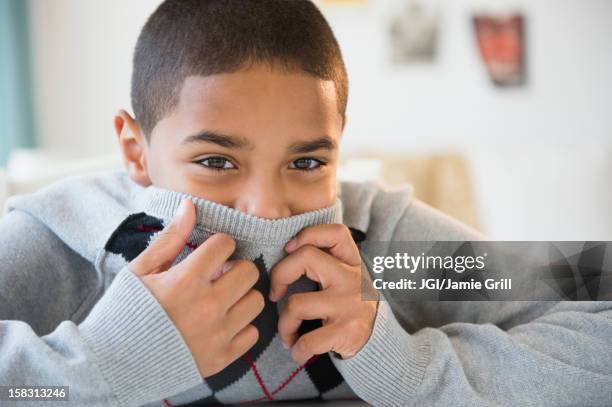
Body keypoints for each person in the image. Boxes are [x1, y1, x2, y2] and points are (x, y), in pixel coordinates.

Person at [0, 1, 611, 406]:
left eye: (307, 163)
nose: (268, 210)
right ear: (137, 152)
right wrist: (102, 364)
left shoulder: (389, 249)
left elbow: (597, 296)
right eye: (216, 162)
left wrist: (405, 364)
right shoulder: (71, 242)